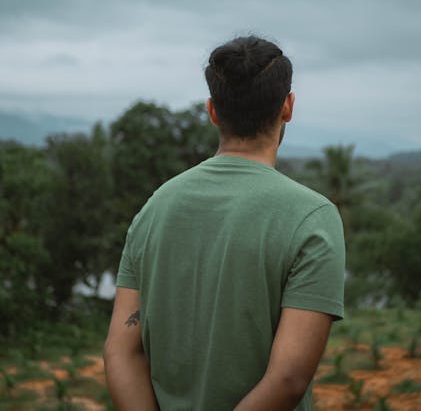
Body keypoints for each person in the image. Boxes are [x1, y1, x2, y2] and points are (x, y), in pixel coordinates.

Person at [104, 35, 345, 411]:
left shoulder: (156, 207)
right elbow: (288, 378)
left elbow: (121, 352)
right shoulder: (311, 218)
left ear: (213, 111)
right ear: (288, 106)